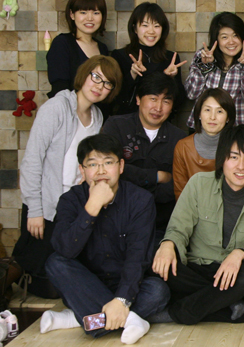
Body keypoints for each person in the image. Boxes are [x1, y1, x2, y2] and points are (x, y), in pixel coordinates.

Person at [40, 134, 169, 344]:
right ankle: (129, 319)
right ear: (82, 170)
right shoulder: (70, 200)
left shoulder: (140, 200)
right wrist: (93, 206)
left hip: (126, 283)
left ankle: (81, 318)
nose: (101, 171)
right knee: (55, 263)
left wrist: (121, 299)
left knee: (158, 291)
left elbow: (138, 256)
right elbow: (64, 249)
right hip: (86, 284)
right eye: (93, 164)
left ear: (121, 166)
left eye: (108, 163)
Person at [14, 56, 122, 299]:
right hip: (46, 204)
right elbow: (32, 160)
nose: (99, 86)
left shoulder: (97, 117)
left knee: (65, 275)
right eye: (96, 77)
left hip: (73, 205)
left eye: (107, 83)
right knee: (41, 278)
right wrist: (35, 209)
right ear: (84, 75)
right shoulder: (56, 108)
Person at [152, 126, 244, 325]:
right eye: (234, 157)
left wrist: (239, 254)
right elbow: (178, 228)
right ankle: (230, 302)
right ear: (222, 159)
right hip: (196, 268)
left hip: (235, 273)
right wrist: (168, 244)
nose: (241, 166)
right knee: (160, 259)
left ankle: (179, 312)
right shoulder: (198, 183)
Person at [102, 72, 186, 239]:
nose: (158, 108)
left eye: (166, 101)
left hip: (159, 226)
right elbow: (108, 169)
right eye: (153, 99)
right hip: (115, 220)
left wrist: (133, 183)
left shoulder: (179, 139)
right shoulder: (116, 126)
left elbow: (176, 186)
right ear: (138, 99)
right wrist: (157, 176)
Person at [185, 12, 244, 129]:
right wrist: (205, 66)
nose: (231, 41)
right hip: (203, 127)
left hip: (235, 128)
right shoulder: (203, 56)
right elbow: (191, 94)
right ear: (216, 39)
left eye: (235, 35)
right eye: (224, 37)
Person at [110, 2, 186, 116]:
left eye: (157, 26)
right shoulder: (120, 56)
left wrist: (170, 79)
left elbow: (179, 102)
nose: (151, 31)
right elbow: (114, 98)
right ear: (135, 28)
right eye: (145, 25)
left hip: (159, 121)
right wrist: (132, 75)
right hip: (127, 121)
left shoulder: (170, 58)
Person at [173, 88, 236, 199]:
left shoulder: (238, 146)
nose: (212, 117)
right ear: (199, 114)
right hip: (193, 208)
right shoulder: (183, 147)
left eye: (219, 111)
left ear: (228, 118)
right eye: (207, 110)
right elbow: (181, 194)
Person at [47, 0, 110, 99]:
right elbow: (59, 89)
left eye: (96, 13)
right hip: (68, 108)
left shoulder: (103, 48)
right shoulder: (62, 43)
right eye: (83, 12)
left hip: (97, 110)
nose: (90, 18)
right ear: (72, 14)